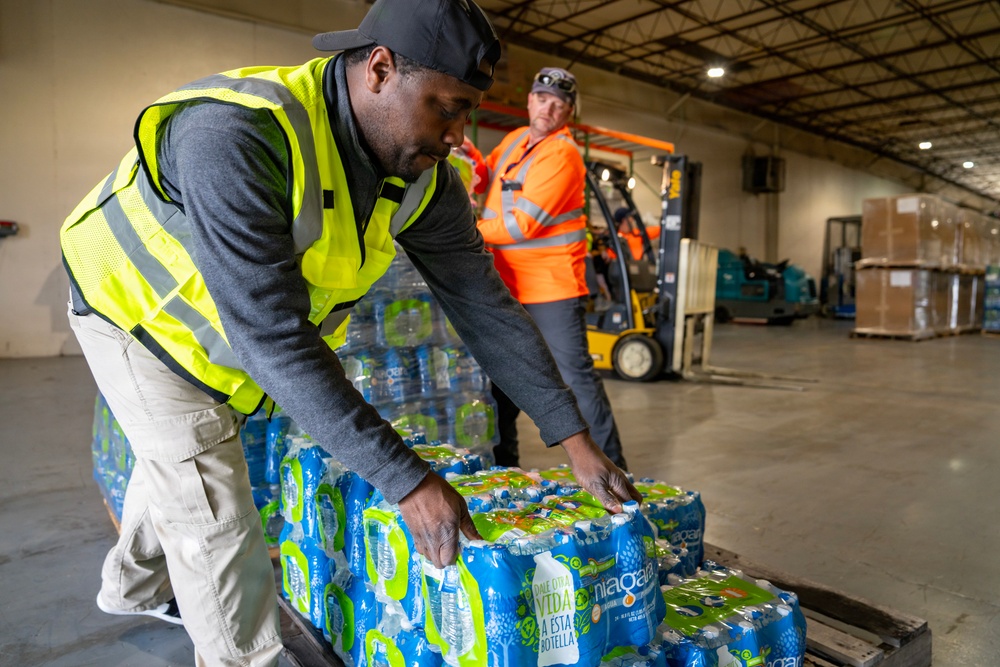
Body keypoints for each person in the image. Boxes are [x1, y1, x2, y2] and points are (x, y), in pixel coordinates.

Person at [59, 1, 640, 664]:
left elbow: (487, 308)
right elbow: (274, 336)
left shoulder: (422, 179)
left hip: (230, 335)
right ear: (380, 70)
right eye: (446, 107)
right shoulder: (237, 135)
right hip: (136, 312)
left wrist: (573, 436)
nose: (457, 135)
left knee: (180, 461)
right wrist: (409, 482)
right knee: (213, 504)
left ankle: (129, 586)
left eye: (466, 113)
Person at [478, 67, 629, 471]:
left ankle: (616, 472)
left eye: (560, 104)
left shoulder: (563, 154)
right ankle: (503, 470)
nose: (549, 108)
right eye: (543, 99)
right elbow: (486, 176)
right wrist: (465, 158)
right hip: (508, 287)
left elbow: (522, 224)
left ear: (569, 113)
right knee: (503, 382)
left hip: (552, 291)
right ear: (529, 101)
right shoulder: (513, 141)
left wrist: (465, 233)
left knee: (575, 382)